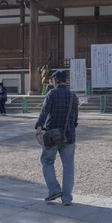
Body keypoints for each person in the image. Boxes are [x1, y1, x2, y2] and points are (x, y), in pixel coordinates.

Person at [35, 70, 79, 206]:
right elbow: (75, 119)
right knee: (68, 166)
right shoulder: (73, 96)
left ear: (55, 81)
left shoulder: (52, 94)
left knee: (47, 161)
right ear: (65, 80)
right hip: (69, 135)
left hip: (52, 134)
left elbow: (44, 111)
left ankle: (54, 189)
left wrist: (38, 128)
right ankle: (66, 198)